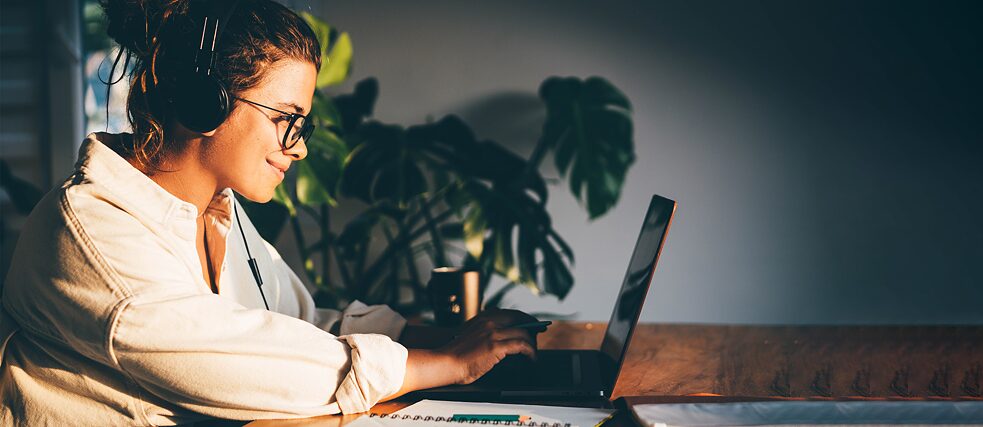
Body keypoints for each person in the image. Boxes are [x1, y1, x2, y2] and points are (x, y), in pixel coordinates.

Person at [0, 0, 537, 424]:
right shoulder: (95, 233)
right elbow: (239, 364)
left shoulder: (210, 209)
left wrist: (442, 340)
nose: (299, 148)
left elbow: (294, 327)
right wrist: (445, 364)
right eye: (286, 118)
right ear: (203, 100)